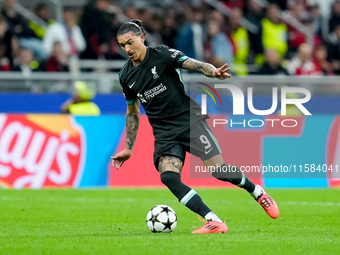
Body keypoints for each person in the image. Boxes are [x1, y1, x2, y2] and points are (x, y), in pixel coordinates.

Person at [111, 19, 279, 234]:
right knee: (168, 177)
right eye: (122, 45)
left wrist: (212, 72)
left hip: (188, 121)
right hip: (164, 132)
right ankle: (213, 220)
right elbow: (132, 112)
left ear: (141, 38)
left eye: (130, 42)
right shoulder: (126, 75)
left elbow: (193, 64)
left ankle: (257, 192)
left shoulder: (162, 55)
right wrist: (128, 147)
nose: (127, 49)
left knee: (220, 171)